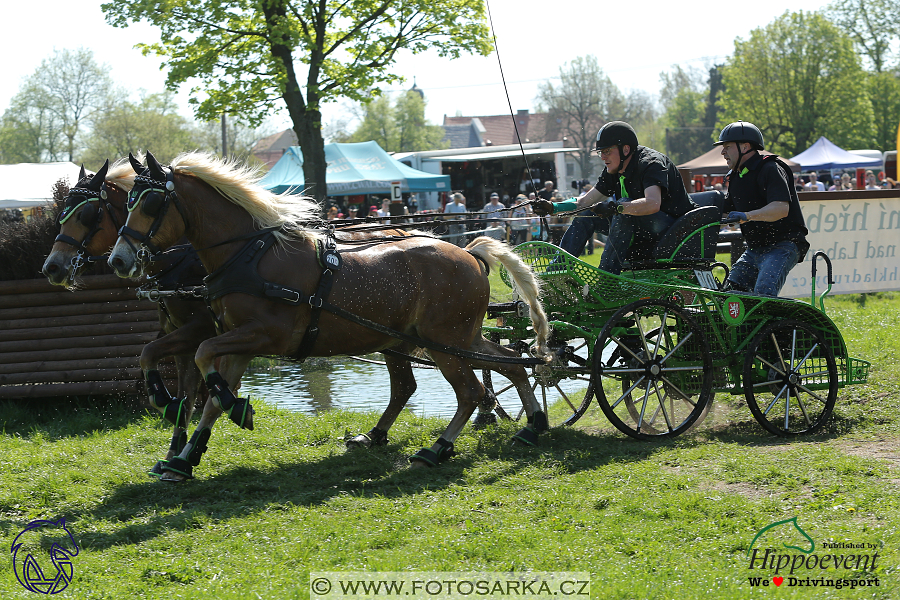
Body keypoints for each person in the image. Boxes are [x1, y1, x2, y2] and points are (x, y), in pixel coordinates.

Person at [532, 121, 697, 275]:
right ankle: (556, 272)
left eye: (607, 151)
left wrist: (616, 207)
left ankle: (606, 279)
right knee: (585, 215)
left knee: (623, 207)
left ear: (625, 149)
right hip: (641, 226)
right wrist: (553, 207)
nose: (603, 157)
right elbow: (584, 202)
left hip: (675, 230)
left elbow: (653, 203)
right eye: (600, 152)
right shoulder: (613, 169)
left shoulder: (650, 163)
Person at [714, 121, 809, 297]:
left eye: (727, 146)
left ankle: (784, 325)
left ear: (745, 146)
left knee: (764, 293)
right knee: (729, 295)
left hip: (783, 244)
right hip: (755, 248)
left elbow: (780, 209)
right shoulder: (736, 176)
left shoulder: (771, 168)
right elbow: (724, 209)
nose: (722, 152)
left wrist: (747, 216)